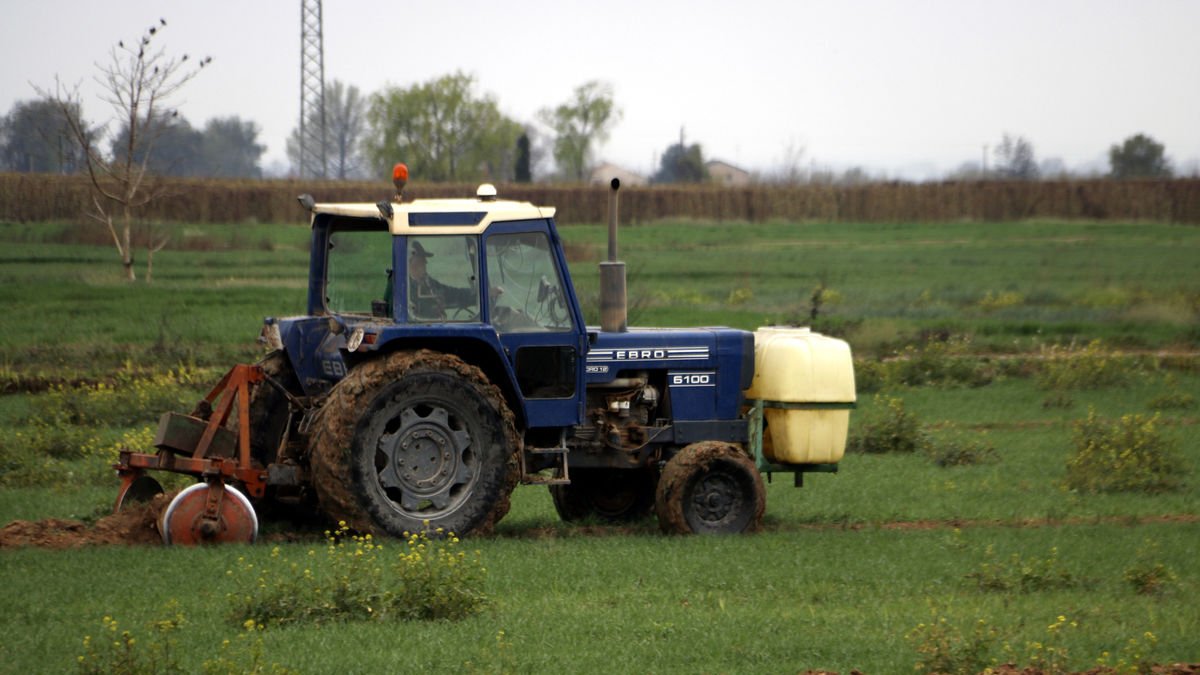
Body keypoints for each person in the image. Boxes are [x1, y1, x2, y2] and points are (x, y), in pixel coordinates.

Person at [408, 240, 477, 320]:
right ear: (409, 263)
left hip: (438, 325)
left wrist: (477, 294)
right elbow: (412, 313)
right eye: (420, 261)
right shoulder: (404, 288)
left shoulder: (429, 283)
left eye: (423, 261)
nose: (425, 263)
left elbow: (453, 293)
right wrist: (434, 308)